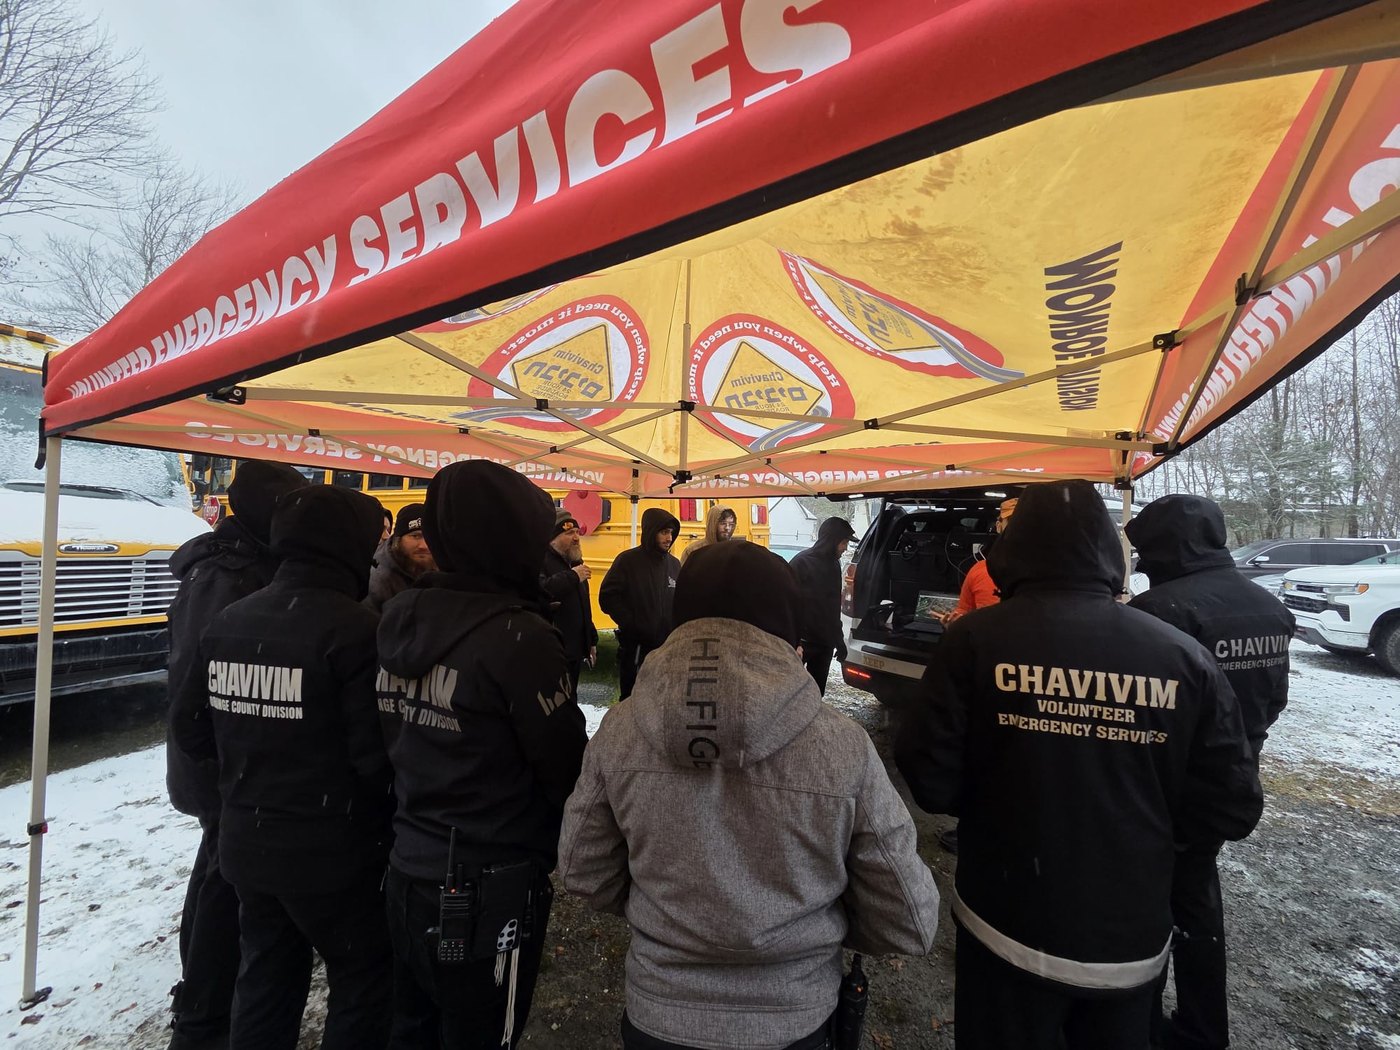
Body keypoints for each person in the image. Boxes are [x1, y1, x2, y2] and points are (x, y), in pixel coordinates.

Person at [895, 481, 1263, 1050]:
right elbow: (1231, 802)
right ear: (1109, 553)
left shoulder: (975, 642)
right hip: (1130, 937)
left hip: (1005, 918)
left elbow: (930, 776)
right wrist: (1144, 840)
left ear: (1013, 549)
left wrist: (1002, 804)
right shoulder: (1181, 657)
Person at [560, 540, 940, 1050]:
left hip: (660, 1010)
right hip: (796, 1017)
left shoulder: (620, 730)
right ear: (788, 618)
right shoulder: (841, 746)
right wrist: (811, 930)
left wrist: (665, 915)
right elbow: (909, 918)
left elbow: (583, 871)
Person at [376, 461, 588, 1048]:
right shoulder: (518, 635)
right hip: (489, 882)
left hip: (408, 860)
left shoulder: (400, 614)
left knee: (413, 1027)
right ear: (512, 535)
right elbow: (564, 767)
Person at [176, 484, 393, 1050]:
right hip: (328, 851)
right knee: (363, 977)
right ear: (350, 547)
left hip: (246, 841)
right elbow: (373, 761)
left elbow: (190, 728)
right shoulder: (355, 630)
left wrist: (254, 760)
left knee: (267, 978)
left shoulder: (230, 620)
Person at [1125, 494, 1295, 1050]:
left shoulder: (1158, 615)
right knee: (1198, 904)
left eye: (1149, 556)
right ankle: (1204, 1028)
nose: (1146, 569)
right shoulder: (1269, 607)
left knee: (1143, 913)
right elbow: (1274, 700)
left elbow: (1141, 715)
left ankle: (1142, 1025)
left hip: (1161, 794)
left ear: (1170, 549)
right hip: (1229, 784)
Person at [164, 459, 306, 1050]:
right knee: (221, 890)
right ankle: (202, 1019)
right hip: (227, 767)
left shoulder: (246, 564)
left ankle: (206, 1005)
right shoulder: (226, 576)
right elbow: (202, 687)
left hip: (234, 768)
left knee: (219, 879)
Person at [598, 507, 681, 699]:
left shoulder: (675, 565)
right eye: (663, 532)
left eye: (671, 532)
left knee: (661, 700)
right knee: (632, 700)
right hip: (636, 649)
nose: (669, 538)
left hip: (666, 649)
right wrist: (631, 623)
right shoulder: (628, 561)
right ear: (651, 532)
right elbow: (607, 596)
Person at [788, 517, 857, 694]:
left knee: (817, 692)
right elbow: (786, 605)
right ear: (831, 541)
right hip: (801, 644)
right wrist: (793, 641)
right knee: (789, 691)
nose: (845, 548)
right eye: (843, 542)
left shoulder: (834, 564)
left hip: (824, 644)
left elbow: (833, 608)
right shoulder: (801, 563)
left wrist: (838, 641)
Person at [541, 508, 598, 698]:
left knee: (571, 699)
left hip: (574, 650)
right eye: (569, 533)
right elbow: (541, 590)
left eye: (577, 532)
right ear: (553, 539)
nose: (576, 537)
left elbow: (584, 604)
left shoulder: (575, 562)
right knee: (556, 703)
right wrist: (572, 576)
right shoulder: (541, 561)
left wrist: (590, 640)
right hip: (553, 650)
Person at [941, 497, 1018, 623]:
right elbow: (962, 614)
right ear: (999, 527)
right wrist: (953, 626)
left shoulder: (1051, 572)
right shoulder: (980, 570)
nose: (1018, 527)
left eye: (1026, 522)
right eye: (1012, 521)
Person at [366, 502, 435, 613]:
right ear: (398, 540)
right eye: (415, 536)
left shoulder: (445, 572)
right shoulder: (377, 582)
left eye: (429, 537)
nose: (424, 546)